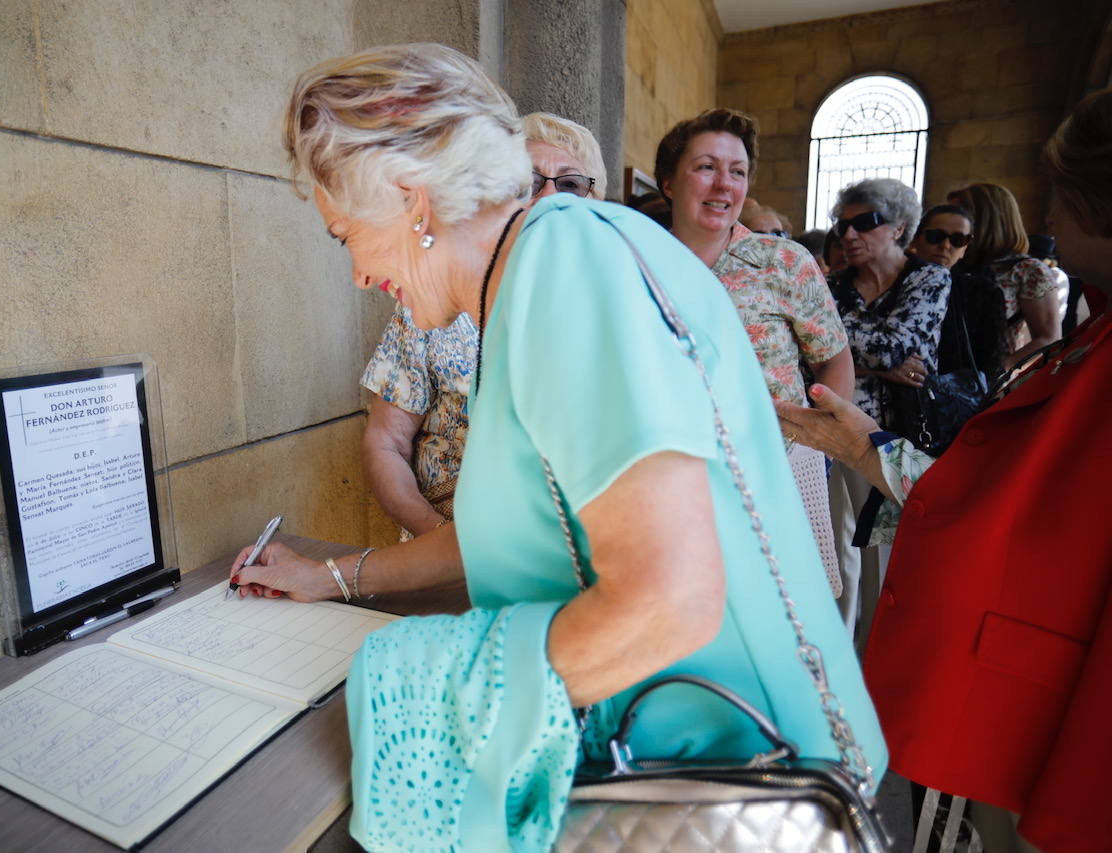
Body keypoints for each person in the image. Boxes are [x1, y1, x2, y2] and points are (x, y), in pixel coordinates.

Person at [239, 43, 886, 850]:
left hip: (724, 782)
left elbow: (667, 602)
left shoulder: (561, 265)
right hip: (687, 762)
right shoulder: (539, 267)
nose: (362, 276)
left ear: (411, 200)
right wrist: (333, 574)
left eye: (346, 240)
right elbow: (510, 532)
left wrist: (430, 688)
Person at [775, 87, 1112, 853]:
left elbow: (996, 502)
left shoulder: (967, 291)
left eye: (1062, 192)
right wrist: (864, 436)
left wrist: (867, 439)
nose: (1048, 218)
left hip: (1058, 719)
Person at [359, 112, 606, 539]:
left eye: (569, 185)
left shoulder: (610, 312)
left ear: (592, 204)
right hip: (439, 548)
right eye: (528, 183)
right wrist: (442, 544)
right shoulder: (433, 305)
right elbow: (385, 444)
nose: (546, 198)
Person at [654, 108, 854, 597]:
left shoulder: (782, 262)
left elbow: (834, 358)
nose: (724, 184)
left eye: (737, 172)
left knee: (783, 617)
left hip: (776, 473)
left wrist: (818, 448)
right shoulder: (636, 260)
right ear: (669, 183)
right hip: (669, 480)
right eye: (706, 167)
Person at [825, 178, 950, 646]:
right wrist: (880, 361)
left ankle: (876, 660)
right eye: (843, 226)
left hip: (896, 440)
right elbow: (810, 346)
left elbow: (894, 345)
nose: (849, 235)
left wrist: (843, 350)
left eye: (864, 223)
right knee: (837, 553)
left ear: (898, 228)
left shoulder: (929, 278)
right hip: (831, 435)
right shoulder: (835, 285)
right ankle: (836, 659)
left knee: (884, 557)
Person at [947, 182, 1060, 368]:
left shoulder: (1027, 270)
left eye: (959, 213)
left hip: (988, 384)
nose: (949, 223)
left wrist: (1001, 371)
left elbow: (1048, 338)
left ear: (985, 219)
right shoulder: (950, 263)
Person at [910, 204, 1009, 381]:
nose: (945, 245)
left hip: (955, 400)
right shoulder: (889, 282)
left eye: (958, 239)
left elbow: (991, 363)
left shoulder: (984, 293)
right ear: (916, 238)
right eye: (936, 236)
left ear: (965, 247)